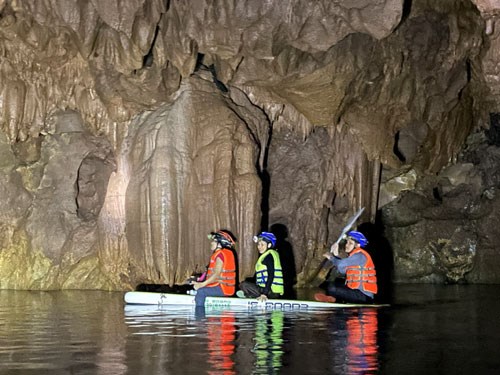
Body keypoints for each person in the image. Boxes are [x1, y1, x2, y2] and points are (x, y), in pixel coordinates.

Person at [315, 231, 377, 304]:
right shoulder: (353, 256)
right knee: (330, 284)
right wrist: (336, 255)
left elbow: (341, 264)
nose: (346, 245)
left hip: (364, 296)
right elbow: (342, 270)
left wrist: (331, 257)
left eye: (350, 243)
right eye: (347, 242)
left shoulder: (360, 256)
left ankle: (336, 300)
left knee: (332, 288)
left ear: (357, 245)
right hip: (355, 292)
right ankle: (335, 299)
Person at [192, 229, 237, 307]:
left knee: (201, 291)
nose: (211, 243)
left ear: (220, 244)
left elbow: (216, 274)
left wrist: (201, 285)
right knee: (200, 288)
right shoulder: (220, 254)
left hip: (223, 288)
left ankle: (199, 317)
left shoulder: (221, 255)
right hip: (220, 286)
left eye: (214, 241)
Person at [239, 232, 284, 301]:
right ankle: (250, 295)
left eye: (262, 245)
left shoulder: (269, 257)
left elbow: (271, 275)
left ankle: (250, 296)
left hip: (271, 291)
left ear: (269, 245)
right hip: (269, 290)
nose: (259, 247)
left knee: (244, 284)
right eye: (258, 244)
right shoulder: (267, 255)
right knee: (246, 283)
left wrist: (264, 294)